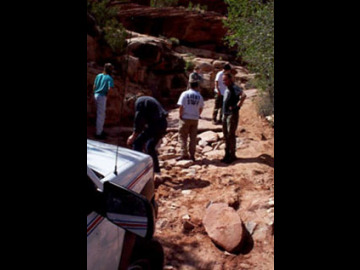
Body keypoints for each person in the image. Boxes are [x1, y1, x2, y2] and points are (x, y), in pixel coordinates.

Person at [126, 94, 168, 174]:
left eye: (130, 106)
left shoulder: (139, 103)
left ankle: (136, 168)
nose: (132, 108)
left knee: (137, 143)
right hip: (162, 124)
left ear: (131, 101)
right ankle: (156, 171)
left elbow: (138, 121)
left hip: (156, 125)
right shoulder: (145, 99)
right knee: (150, 146)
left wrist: (133, 136)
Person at [176, 74, 204, 161]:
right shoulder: (199, 96)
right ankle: (192, 155)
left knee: (182, 136)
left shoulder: (184, 94)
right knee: (193, 138)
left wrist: (180, 115)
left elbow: (181, 106)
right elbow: (201, 108)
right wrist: (198, 115)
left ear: (189, 86)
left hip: (185, 117)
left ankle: (184, 154)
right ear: (197, 87)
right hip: (194, 119)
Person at [221, 73, 247, 164]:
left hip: (232, 114)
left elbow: (243, 95)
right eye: (223, 80)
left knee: (230, 134)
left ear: (230, 79)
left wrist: (237, 107)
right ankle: (227, 154)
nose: (224, 82)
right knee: (225, 135)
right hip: (225, 114)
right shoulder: (227, 88)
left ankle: (232, 155)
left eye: (225, 80)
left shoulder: (234, 87)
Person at [93, 63, 115, 139]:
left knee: (99, 113)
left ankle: (99, 130)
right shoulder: (109, 78)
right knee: (101, 115)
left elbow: (94, 86)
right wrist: (107, 96)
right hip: (102, 96)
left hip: (96, 94)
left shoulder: (98, 75)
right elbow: (110, 89)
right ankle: (98, 133)